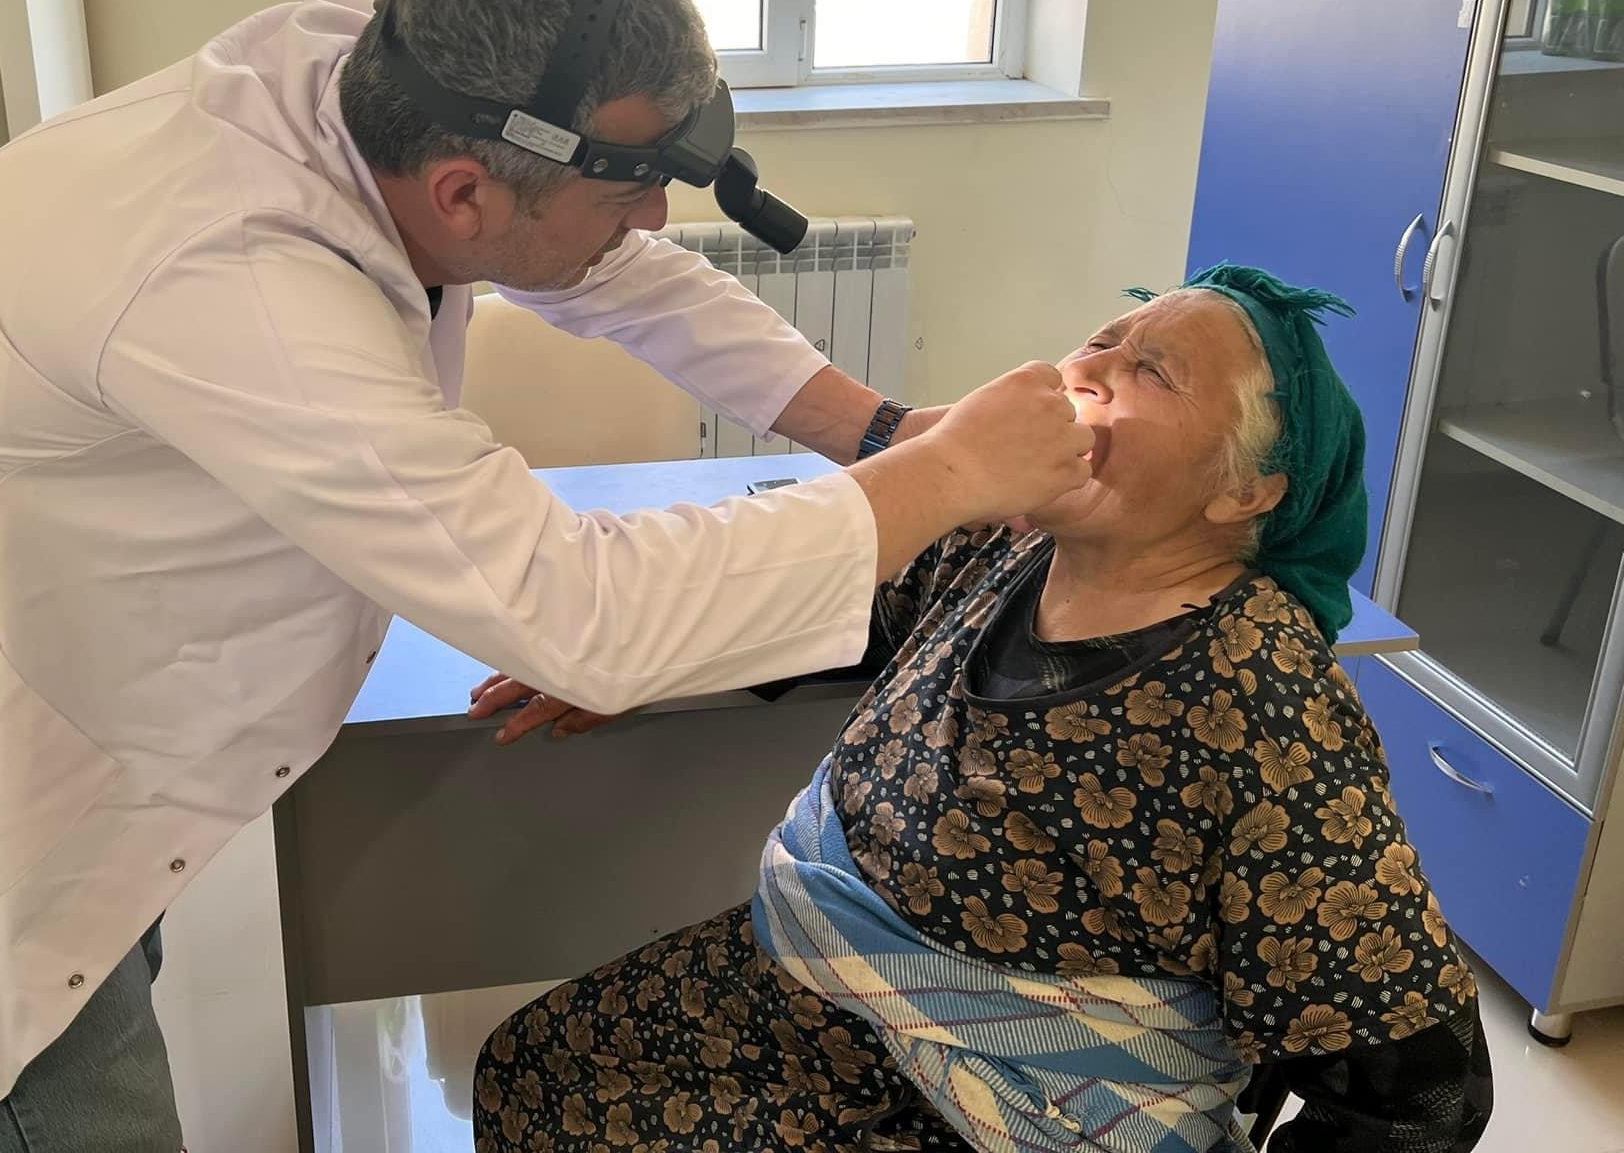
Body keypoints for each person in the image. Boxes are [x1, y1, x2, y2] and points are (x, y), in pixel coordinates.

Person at [0, 0, 1093, 1153]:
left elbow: (607, 268)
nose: (656, 221)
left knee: (110, 937)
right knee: (63, 1062)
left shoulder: (387, 80)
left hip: (52, 604)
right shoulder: (229, 272)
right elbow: (578, 611)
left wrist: (883, 434)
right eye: (631, 190)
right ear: (466, 192)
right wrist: (949, 479)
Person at [473, 266, 1491, 1153]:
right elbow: (849, 602)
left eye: (1153, 371)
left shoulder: (1265, 707)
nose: (1086, 371)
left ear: (1245, 493)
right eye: (1100, 341)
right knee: (532, 1066)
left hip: (991, 1107)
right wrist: (642, 653)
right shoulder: (1007, 542)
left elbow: (1418, 1091)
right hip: (824, 997)